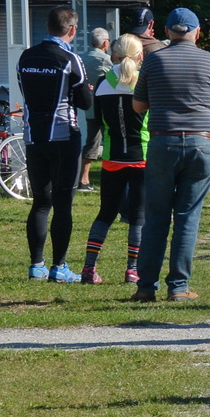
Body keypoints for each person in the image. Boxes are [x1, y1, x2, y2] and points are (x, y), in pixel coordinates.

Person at [130, 7, 210, 303]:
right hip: (201, 144)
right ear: (197, 32)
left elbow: (138, 107)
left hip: (162, 142)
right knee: (187, 217)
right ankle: (178, 287)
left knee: (156, 217)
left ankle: (146, 286)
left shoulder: (153, 60)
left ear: (167, 31)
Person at [17, 5, 96, 282]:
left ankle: (36, 266)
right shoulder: (70, 59)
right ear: (72, 30)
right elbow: (86, 102)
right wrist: (86, 91)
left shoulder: (26, 56)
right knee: (63, 204)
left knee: (40, 202)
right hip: (63, 136)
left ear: (47, 26)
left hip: (33, 136)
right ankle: (59, 267)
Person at [81, 33, 148, 283]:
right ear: (140, 55)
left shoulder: (101, 82)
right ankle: (132, 269)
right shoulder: (143, 81)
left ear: (115, 53)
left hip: (112, 156)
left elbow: (97, 119)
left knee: (105, 213)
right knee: (139, 217)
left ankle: (89, 269)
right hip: (141, 154)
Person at [77, 26, 111, 191]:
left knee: (92, 142)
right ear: (105, 43)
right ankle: (107, 176)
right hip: (106, 108)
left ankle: (84, 178)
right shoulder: (105, 60)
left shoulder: (82, 58)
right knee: (111, 142)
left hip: (89, 107)